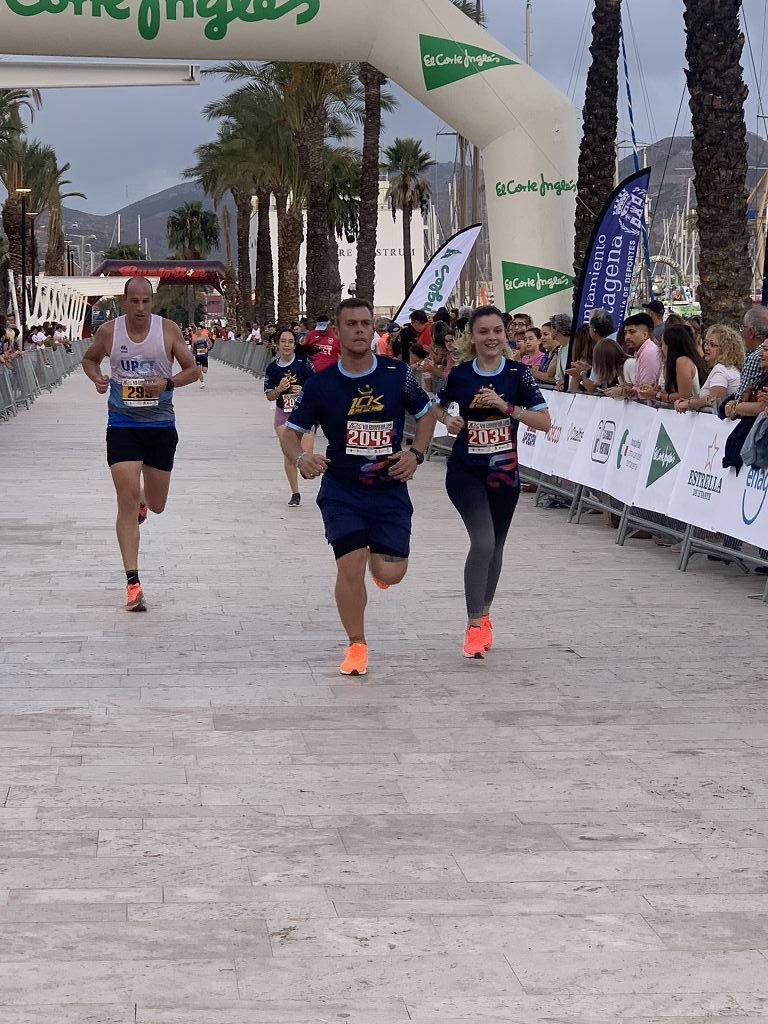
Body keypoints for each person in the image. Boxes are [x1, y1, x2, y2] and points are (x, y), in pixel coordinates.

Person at [281, 297, 435, 677]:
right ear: (337, 330)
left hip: (389, 488)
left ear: (374, 329)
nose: (360, 330)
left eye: (366, 323)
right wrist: (302, 459)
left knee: (389, 573)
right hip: (342, 490)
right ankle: (356, 644)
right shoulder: (321, 385)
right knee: (349, 565)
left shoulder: (398, 374)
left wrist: (416, 453)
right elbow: (290, 433)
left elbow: (427, 414)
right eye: (351, 324)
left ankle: (376, 560)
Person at [434, 305, 551, 659]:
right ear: (473, 336)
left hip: (504, 474)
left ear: (506, 335)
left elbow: (544, 421)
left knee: (496, 547)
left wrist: (506, 407)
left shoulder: (518, 374)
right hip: (466, 471)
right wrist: (449, 421)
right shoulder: (462, 375)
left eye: (497, 331)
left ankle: (484, 617)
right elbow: (435, 407)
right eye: (484, 332)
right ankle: (472, 626)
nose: (492, 338)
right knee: (483, 542)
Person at [81, 277, 198, 612]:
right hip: (122, 424)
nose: (141, 308)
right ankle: (133, 583)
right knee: (126, 498)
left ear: (153, 301)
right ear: (124, 302)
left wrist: (167, 383)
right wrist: (98, 378)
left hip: (160, 425)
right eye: (134, 301)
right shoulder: (109, 332)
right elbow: (89, 360)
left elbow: (193, 370)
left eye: (146, 301)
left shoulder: (168, 331)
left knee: (157, 504)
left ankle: (146, 501)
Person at [264, 327, 315, 506]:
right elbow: (269, 395)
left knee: (306, 456)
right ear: (277, 344)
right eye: (283, 341)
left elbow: (316, 384)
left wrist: (304, 390)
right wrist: (278, 389)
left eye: (290, 342)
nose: (287, 345)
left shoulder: (304, 363)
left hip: (304, 415)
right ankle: (295, 493)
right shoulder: (272, 368)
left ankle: (303, 471)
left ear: (295, 345)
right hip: (283, 415)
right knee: (289, 455)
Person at [676, 324, 745, 413]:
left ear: (725, 349)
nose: (707, 348)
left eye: (712, 345)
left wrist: (688, 403)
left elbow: (715, 400)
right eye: (706, 343)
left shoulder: (721, 370)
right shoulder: (729, 368)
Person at [639, 324, 705, 404]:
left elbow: (684, 396)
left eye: (662, 343)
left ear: (670, 346)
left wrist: (656, 394)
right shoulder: (670, 363)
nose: (660, 347)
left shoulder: (683, 361)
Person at [622, 312, 662, 394]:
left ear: (645, 335)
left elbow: (645, 391)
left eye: (632, 332)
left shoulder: (649, 352)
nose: (627, 337)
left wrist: (622, 392)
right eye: (625, 333)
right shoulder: (641, 351)